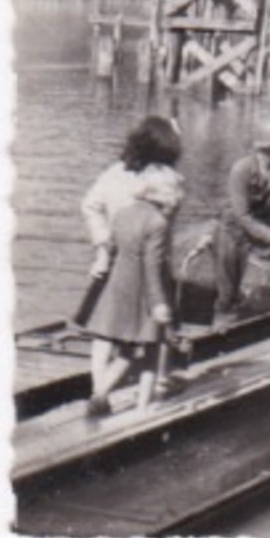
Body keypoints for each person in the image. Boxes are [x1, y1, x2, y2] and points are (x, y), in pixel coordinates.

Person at [77, 116, 184, 398]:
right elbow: (168, 219)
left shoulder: (115, 172)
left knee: (105, 328)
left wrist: (102, 246)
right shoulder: (166, 177)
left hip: (115, 257)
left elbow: (90, 205)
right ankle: (157, 381)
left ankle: (98, 387)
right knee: (153, 326)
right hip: (151, 260)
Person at [213, 115, 270, 342]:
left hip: (264, 223)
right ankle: (224, 313)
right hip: (235, 228)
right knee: (228, 272)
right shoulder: (241, 170)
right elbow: (243, 217)